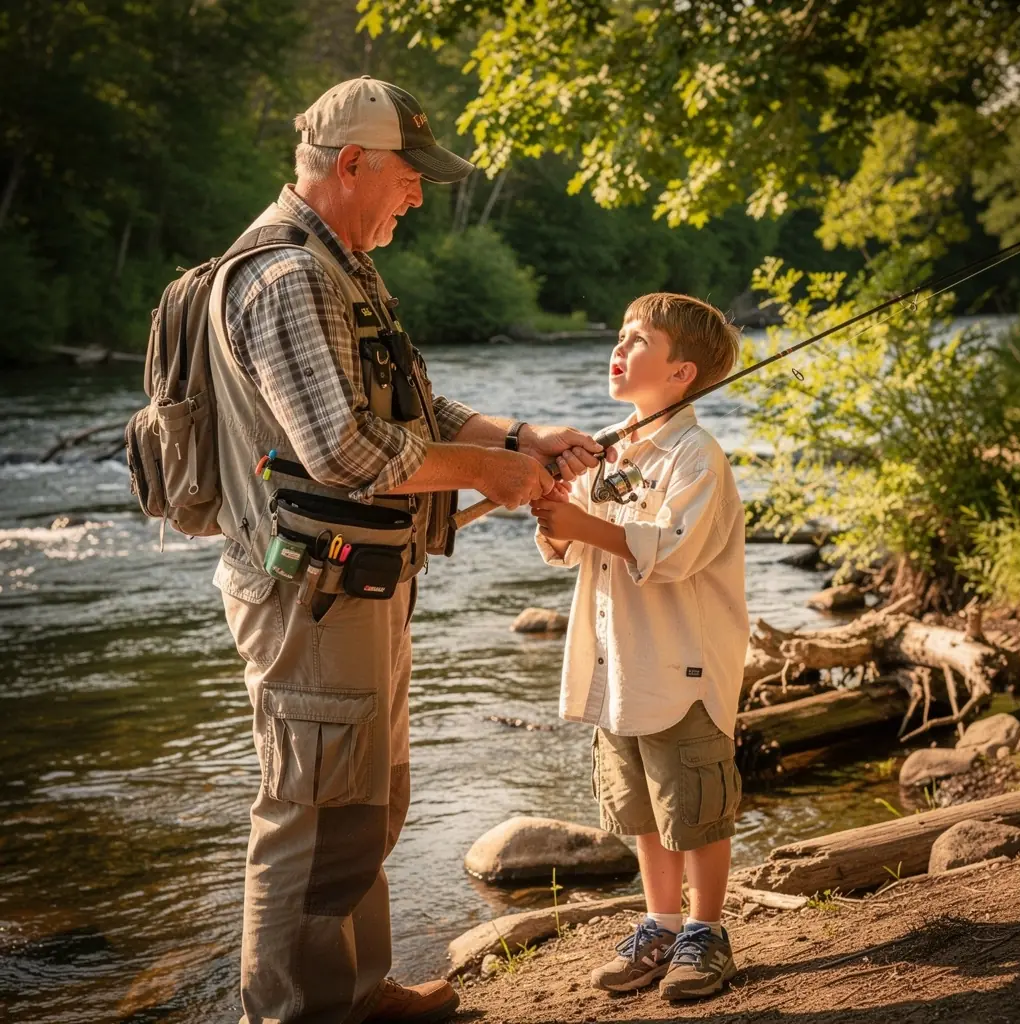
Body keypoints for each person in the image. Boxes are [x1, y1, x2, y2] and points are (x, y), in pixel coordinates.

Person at [208, 76, 603, 1024]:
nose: (419, 194)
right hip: (309, 592)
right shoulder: (291, 276)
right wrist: (482, 474)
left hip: (358, 580)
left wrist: (518, 441)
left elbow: (410, 416)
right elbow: (342, 451)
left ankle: (355, 991)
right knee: (310, 816)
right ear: (352, 165)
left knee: (366, 805)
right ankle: (302, 1014)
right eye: (409, 176)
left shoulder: (344, 265)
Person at [530, 292, 749, 1001]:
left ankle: (706, 933)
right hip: (618, 665)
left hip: (682, 667)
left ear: (682, 373)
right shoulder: (608, 444)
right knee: (643, 813)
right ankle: (659, 924)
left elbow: (672, 552)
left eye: (636, 339)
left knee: (694, 810)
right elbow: (568, 549)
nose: (617, 348)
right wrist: (554, 512)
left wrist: (581, 521)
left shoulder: (698, 457)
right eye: (619, 336)